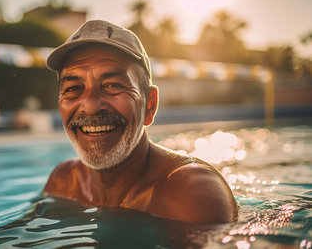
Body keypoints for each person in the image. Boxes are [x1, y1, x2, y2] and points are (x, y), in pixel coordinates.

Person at [43, 20, 238, 224]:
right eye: (73, 88)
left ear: (150, 105)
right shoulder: (64, 182)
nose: (90, 105)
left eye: (112, 85)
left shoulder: (191, 192)